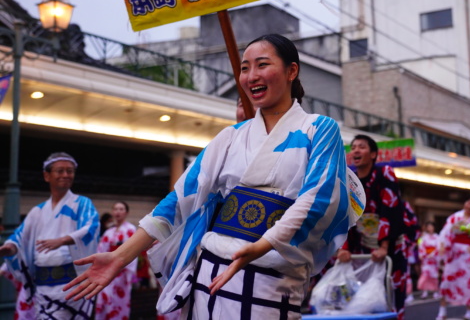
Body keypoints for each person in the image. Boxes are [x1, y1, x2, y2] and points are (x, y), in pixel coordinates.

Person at [65, 34, 361, 319]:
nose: (251, 76)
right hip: (211, 270)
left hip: (273, 272)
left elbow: (319, 196)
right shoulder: (230, 136)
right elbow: (179, 200)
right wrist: (120, 256)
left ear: (291, 70)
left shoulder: (319, 128)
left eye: (262, 64)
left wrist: (261, 245)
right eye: (244, 68)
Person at [0, 152, 100, 318]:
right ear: (47, 176)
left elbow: (91, 227)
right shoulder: (37, 212)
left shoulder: (82, 203)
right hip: (43, 287)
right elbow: (19, 238)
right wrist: (9, 249)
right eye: (60, 171)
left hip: (73, 284)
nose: (66, 175)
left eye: (70, 171)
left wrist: (63, 241)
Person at [337, 134, 407, 319]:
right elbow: (345, 214)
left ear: (373, 154)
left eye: (362, 147)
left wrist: (384, 246)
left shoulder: (385, 174)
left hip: (389, 244)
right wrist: (344, 248)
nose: (356, 150)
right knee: (363, 299)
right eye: (353, 147)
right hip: (362, 246)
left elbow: (390, 209)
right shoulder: (348, 179)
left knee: (391, 295)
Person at [436, 196, 470, 320]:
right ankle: (442, 311)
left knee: (468, 283)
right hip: (453, 254)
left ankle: (469, 311)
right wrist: (443, 245)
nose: (469, 206)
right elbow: (445, 234)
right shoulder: (454, 217)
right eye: (468, 202)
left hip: (468, 256)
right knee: (446, 282)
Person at [95, 201, 138, 320]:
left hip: (121, 273)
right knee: (104, 300)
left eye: (121, 209)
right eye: (116, 209)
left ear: (126, 212)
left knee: (119, 303)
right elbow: (101, 251)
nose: (118, 212)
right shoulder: (108, 232)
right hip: (106, 273)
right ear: (113, 212)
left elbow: (133, 251)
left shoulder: (130, 229)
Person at [416, 221, 440, 299]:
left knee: (434, 276)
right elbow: (421, 246)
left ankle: (435, 291)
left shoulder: (437, 237)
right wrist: (421, 254)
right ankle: (424, 291)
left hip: (434, 259)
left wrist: (433, 254)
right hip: (426, 259)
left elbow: (439, 247)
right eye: (428, 227)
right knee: (425, 275)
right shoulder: (423, 237)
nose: (430, 228)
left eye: (431, 226)